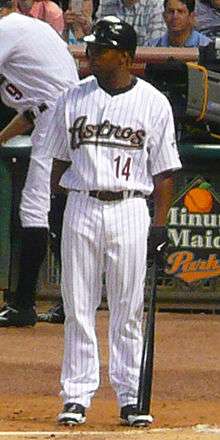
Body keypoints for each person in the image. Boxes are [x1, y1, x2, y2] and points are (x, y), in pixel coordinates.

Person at [43, 15, 182, 427]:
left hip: (129, 208)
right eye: (91, 47)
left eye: (99, 49)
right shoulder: (73, 98)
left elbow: (165, 174)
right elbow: (58, 160)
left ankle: (130, 395)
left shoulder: (154, 102)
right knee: (78, 306)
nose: (90, 54)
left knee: (127, 308)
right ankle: (77, 395)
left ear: (124, 56)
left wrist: (159, 225)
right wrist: (55, 207)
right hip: (82, 204)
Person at [0, 0, 79, 327]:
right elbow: (36, 107)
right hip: (64, 116)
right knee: (60, 208)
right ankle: (66, 302)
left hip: (59, 120)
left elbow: (45, 107)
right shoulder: (29, 29)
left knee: (36, 209)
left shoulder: (8, 27)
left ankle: (23, 305)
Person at [95, 0, 167, 46]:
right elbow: (101, 39)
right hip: (112, 61)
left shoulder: (156, 4)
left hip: (143, 62)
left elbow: (153, 45)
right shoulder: (106, 3)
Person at [145, 0, 211, 46]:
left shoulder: (207, 46)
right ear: (164, 16)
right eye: (171, 11)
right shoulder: (151, 46)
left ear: (191, 16)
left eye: (180, 11)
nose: (175, 16)